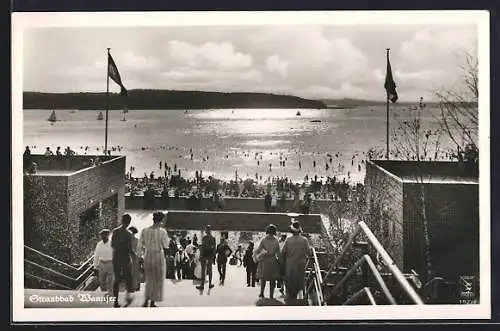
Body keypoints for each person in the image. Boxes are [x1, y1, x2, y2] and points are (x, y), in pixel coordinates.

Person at [137, 211, 169, 307]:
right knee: (157, 279)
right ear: (161, 220)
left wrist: (140, 257)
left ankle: (146, 300)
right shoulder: (162, 232)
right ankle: (152, 301)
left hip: (148, 255)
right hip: (158, 255)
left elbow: (139, 246)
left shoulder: (144, 230)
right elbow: (166, 245)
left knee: (149, 279)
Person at [281, 220, 311, 304]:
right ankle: (298, 298)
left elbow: (282, 252)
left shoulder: (288, 240)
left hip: (289, 264)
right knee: (299, 281)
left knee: (289, 281)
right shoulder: (304, 240)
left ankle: (289, 298)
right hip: (300, 264)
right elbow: (309, 253)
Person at [111, 214, 135, 307]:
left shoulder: (115, 231)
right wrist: (134, 254)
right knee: (128, 277)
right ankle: (128, 297)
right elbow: (130, 248)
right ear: (129, 222)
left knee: (116, 279)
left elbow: (112, 245)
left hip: (116, 257)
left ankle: (115, 301)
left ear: (122, 220)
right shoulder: (128, 234)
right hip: (125, 258)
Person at [254, 224, 281, 299]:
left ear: (267, 231)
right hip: (273, 261)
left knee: (263, 278)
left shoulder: (264, 240)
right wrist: (280, 261)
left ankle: (262, 293)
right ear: (274, 232)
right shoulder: (276, 241)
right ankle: (271, 295)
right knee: (273, 279)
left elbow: (258, 250)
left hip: (264, 261)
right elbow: (278, 253)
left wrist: (255, 255)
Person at [93, 229, 114, 297]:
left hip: (110, 263)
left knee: (110, 280)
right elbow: (96, 255)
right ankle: (104, 294)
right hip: (101, 263)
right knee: (102, 280)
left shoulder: (112, 243)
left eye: (105, 234)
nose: (103, 236)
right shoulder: (99, 244)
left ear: (108, 235)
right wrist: (95, 266)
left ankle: (110, 294)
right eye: (102, 235)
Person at [196, 225, 216, 290]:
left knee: (203, 270)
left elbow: (203, 247)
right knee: (210, 270)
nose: (205, 231)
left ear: (207, 230)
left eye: (205, 230)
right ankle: (210, 284)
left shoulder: (204, 238)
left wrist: (200, 255)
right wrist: (213, 256)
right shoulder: (213, 238)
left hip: (204, 254)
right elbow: (214, 249)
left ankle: (202, 285)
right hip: (210, 254)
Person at [128, 226, 141, 292]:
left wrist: (139, 257)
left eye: (133, 233)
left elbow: (139, 250)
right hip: (128, 257)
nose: (132, 235)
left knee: (135, 272)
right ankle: (130, 286)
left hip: (135, 258)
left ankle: (135, 287)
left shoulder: (137, 240)